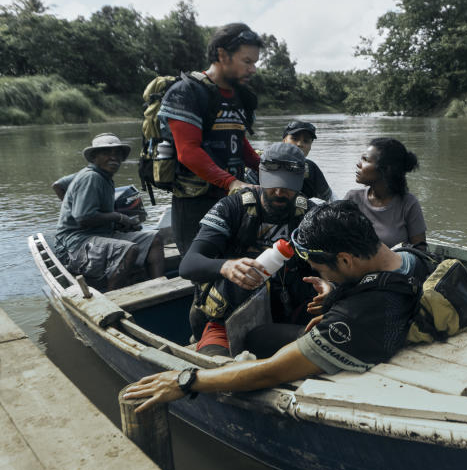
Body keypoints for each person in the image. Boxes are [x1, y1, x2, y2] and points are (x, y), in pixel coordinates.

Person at [123, 200, 429, 411]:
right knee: (260, 336)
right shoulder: (412, 259)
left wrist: (187, 380)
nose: (318, 273)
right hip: (385, 325)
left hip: (366, 344)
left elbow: (270, 372)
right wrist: (335, 288)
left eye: (320, 269)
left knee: (249, 348)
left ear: (346, 260)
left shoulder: (351, 320)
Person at [180, 142, 317, 357]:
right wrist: (226, 266)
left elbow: (337, 262)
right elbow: (189, 264)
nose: (279, 192)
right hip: (228, 318)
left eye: (288, 186)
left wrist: (329, 285)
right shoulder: (232, 208)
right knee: (215, 369)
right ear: (260, 176)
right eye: (272, 184)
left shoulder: (310, 213)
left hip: (289, 317)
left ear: (300, 182)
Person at [158, 23, 264, 254]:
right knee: (204, 270)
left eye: (255, 62)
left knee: (238, 262)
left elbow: (239, 142)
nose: (253, 69)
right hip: (196, 202)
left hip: (234, 198)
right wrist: (231, 182)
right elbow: (188, 151)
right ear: (222, 55)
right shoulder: (186, 93)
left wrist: (267, 169)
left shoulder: (242, 97)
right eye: (247, 61)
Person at [54, 134, 164, 291]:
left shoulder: (103, 176)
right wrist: (118, 217)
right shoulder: (91, 177)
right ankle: (115, 297)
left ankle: (160, 286)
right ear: (94, 157)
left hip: (100, 235)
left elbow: (58, 184)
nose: (113, 158)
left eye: (117, 154)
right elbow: (84, 218)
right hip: (75, 245)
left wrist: (117, 223)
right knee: (128, 249)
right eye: (107, 153)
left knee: (155, 239)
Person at [344, 137, 427, 250]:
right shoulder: (352, 198)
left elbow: (420, 251)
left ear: (387, 169)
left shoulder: (408, 204)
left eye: (366, 160)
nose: (359, 164)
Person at [245, 120, 334, 201]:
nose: (300, 144)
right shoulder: (264, 163)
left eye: (306, 141)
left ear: (310, 146)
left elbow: (329, 199)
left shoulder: (311, 169)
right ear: (284, 141)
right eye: (295, 139)